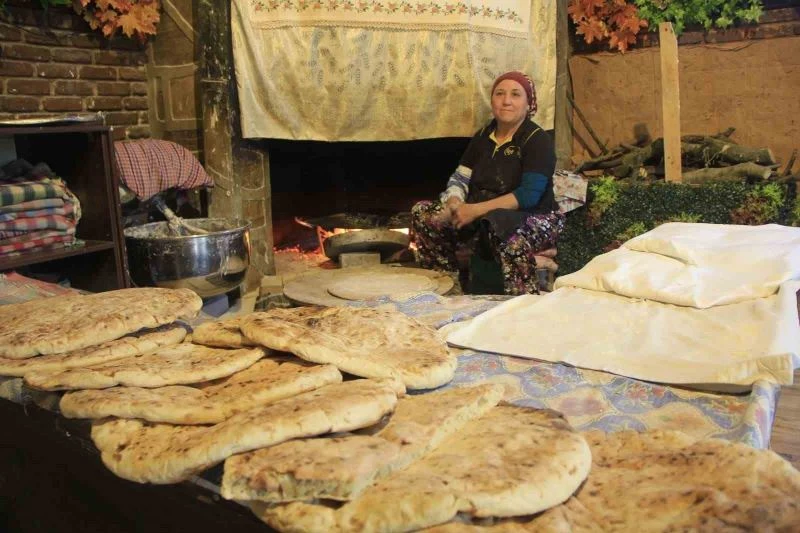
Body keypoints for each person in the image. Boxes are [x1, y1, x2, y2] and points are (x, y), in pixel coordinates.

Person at [410, 71, 564, 295]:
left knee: (504, 232)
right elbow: (461, 177)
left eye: (515, 94)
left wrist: (474, 210)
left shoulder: (537, 140)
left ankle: (521, 304)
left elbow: (528, 195)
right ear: (492, 100)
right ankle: (447, 289)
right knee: (424, 213)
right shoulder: (483, 136)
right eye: (499, 93)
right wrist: (455, 202)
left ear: (528, 103)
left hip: (534, 216)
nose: (506, 101)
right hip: (484, 215)